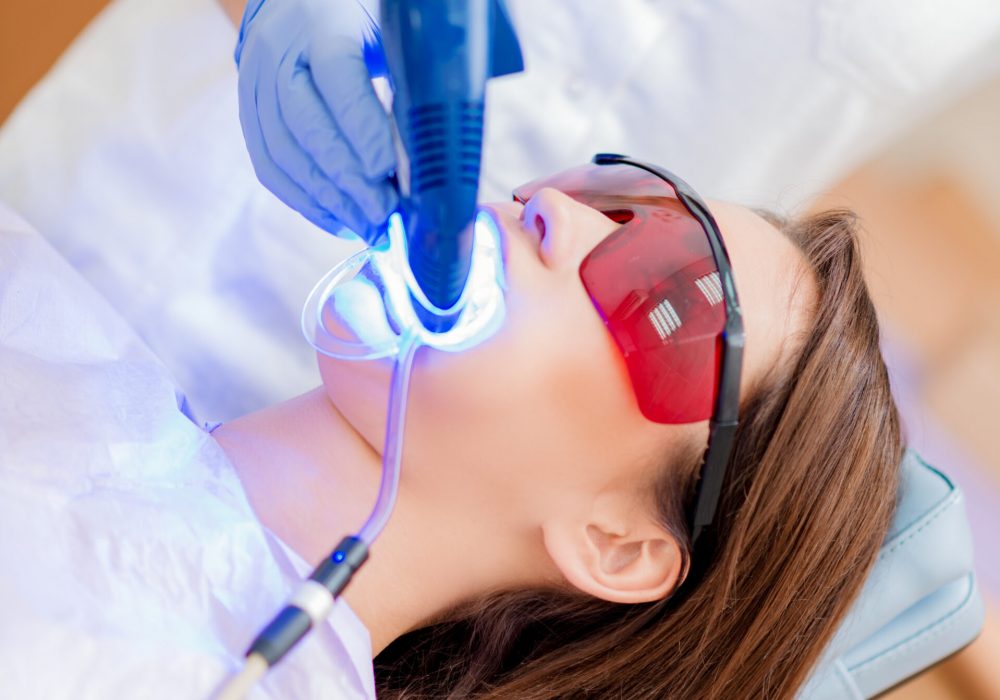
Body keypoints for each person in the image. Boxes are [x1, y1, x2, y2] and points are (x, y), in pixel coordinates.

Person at [0, 150, 900, 698]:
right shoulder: (58, 345)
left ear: (618, 546)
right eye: (620, 193)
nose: (555, 210)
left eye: (665, 283)